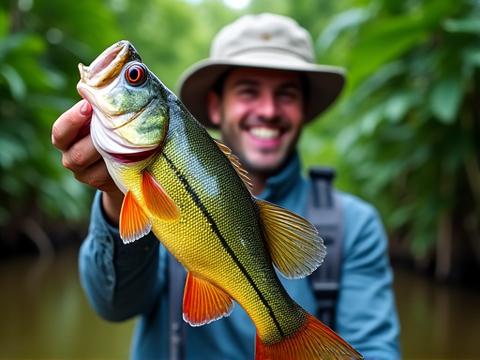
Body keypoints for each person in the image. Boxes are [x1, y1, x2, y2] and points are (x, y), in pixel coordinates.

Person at [52, 13, 401, 360]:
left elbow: (378, 351)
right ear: (216, 106)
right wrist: (115, 196)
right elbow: (113, 304)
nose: (268, 110)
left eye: (286, 94)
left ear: (304, 109)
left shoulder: (355, 225)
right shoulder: (152, 164)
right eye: (248, 91)